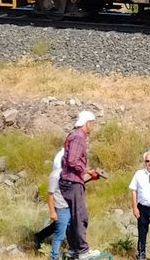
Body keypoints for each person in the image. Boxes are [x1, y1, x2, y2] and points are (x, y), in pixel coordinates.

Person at [59, 110, 100, 259]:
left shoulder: (73, 135)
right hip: (72, 183)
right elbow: (73, 160)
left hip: (69, 181)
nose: (92, 127)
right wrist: (86, 171)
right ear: (87, 123)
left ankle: (74, 248)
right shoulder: (79, 137)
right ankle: (82, 250)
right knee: (80, 216)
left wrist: (86, 172)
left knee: (73, 218)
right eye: (92, 124)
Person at [34, 149, 71, 260]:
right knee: (60, 234)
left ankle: (39, 236)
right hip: (60, 206)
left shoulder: (69, 172)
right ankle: (54, 256)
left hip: (69, 205)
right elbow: (50, 194)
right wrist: (52, 211)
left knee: (64, 228)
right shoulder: (55, 175)